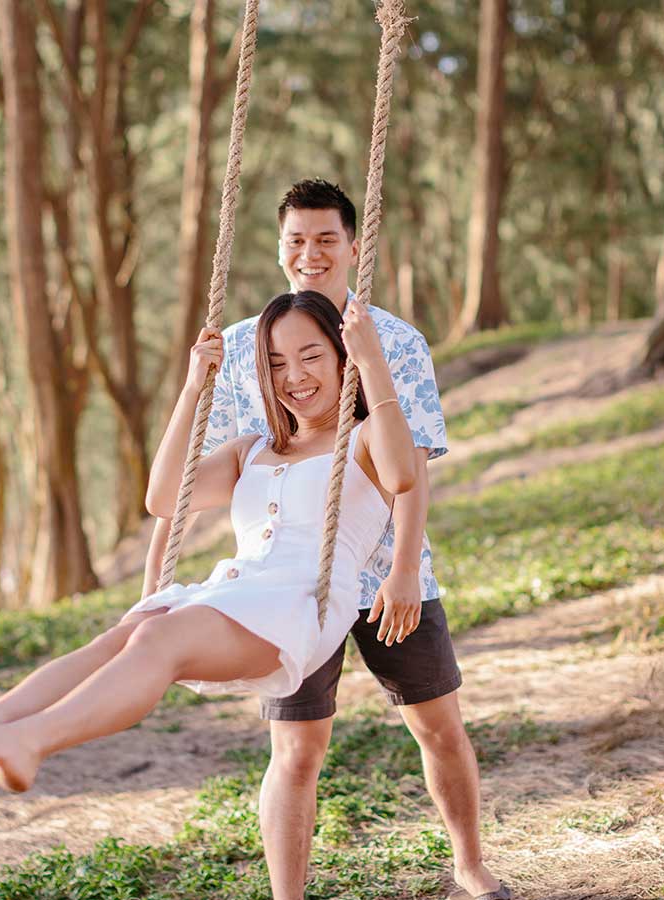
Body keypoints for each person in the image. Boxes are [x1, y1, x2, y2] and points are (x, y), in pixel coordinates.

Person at [143, 180, 509, 900]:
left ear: (351, 246)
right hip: (285, 584)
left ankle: (469, 861)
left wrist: (405, 570)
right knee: (297, 749)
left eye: (325, 239)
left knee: (437, 727)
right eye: (295, 240)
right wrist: (155, 578)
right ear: (280, 249)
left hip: (383, 574)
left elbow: (413, 469)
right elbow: (187, 484)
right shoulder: (247, 346)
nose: (309, 254)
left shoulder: (392, 340)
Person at [0, 290, 417, 797]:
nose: (295, 376)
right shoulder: (252, 450)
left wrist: (373, 362)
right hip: (236, 591)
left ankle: (28, 742)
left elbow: (401, 477)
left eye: (312, 357)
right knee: (124, 634)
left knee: (157, 639)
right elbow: (164, 497)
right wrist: (194, 387)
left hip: (300, 604)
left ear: (342, 357)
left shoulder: (369, 439)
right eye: (278, 362)